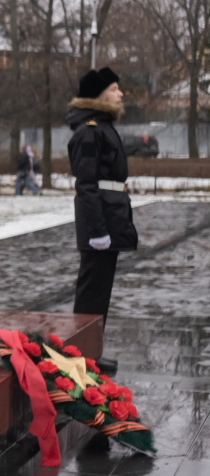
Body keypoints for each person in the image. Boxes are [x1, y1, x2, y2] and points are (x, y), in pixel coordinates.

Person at [65, 67, 138, 374]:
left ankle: (91, 353)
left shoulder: (102, 126)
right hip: (101, 221)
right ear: (99, 95)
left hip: (110, 214)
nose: (120, 94)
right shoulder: (90, 130)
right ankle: (78, 357)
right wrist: (97, 229)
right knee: (91, 293)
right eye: (114, 88)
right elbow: (86, 184)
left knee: (101, 292)